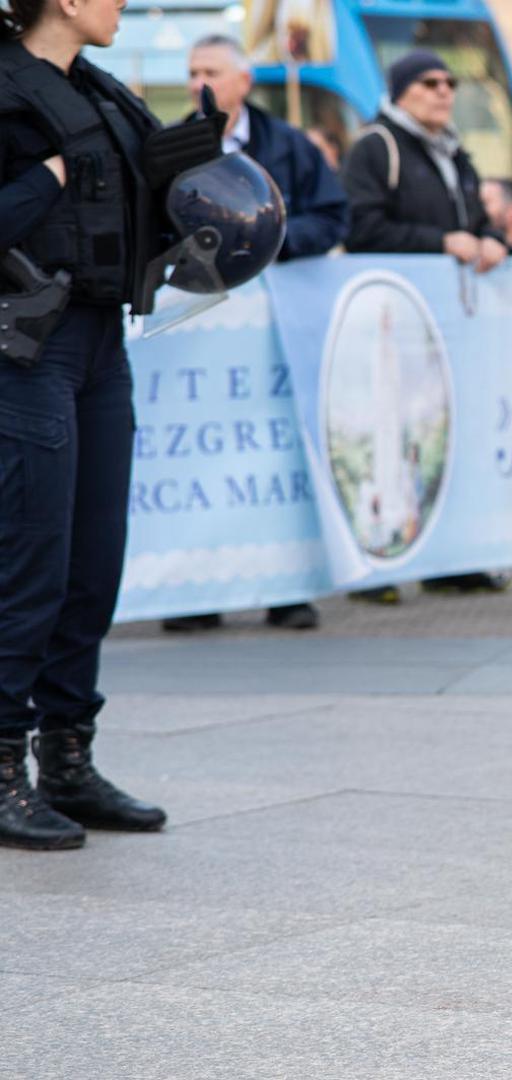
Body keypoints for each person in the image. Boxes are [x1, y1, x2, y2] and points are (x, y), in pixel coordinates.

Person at [0, 0, 239, 848]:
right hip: (27, 349)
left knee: (92, 565)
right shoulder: (8, 87)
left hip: (103, 341)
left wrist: (185, 167)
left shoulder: (102, 92)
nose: (123, 2)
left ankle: (68, 759)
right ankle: (2, 767)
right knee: (31, 562)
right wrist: (49, 177)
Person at [162, 32, 350, 635]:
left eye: (211, 71)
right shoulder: (166, 147)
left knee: (275, 455)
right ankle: (198, 592)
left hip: (275, 333)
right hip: (197, 333)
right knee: (201, 456)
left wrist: (268, 246)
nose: (199, 83)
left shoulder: (289, 146)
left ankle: (286, 590)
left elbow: (332, 216)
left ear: (244, 81)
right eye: (192, 71)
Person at [343, 49, 511, 601]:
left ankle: (449, 558)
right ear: (401, 92)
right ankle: (377, 564)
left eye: (450, 82)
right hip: (394, 324)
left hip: (446, 324)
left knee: (442, 441)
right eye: (430, 82)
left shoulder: (454, 152)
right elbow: (361, 227)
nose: (444, 92)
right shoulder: (377, 148)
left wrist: (493, 240)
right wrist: (439, 242)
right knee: (388, 442)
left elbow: (475, 222)